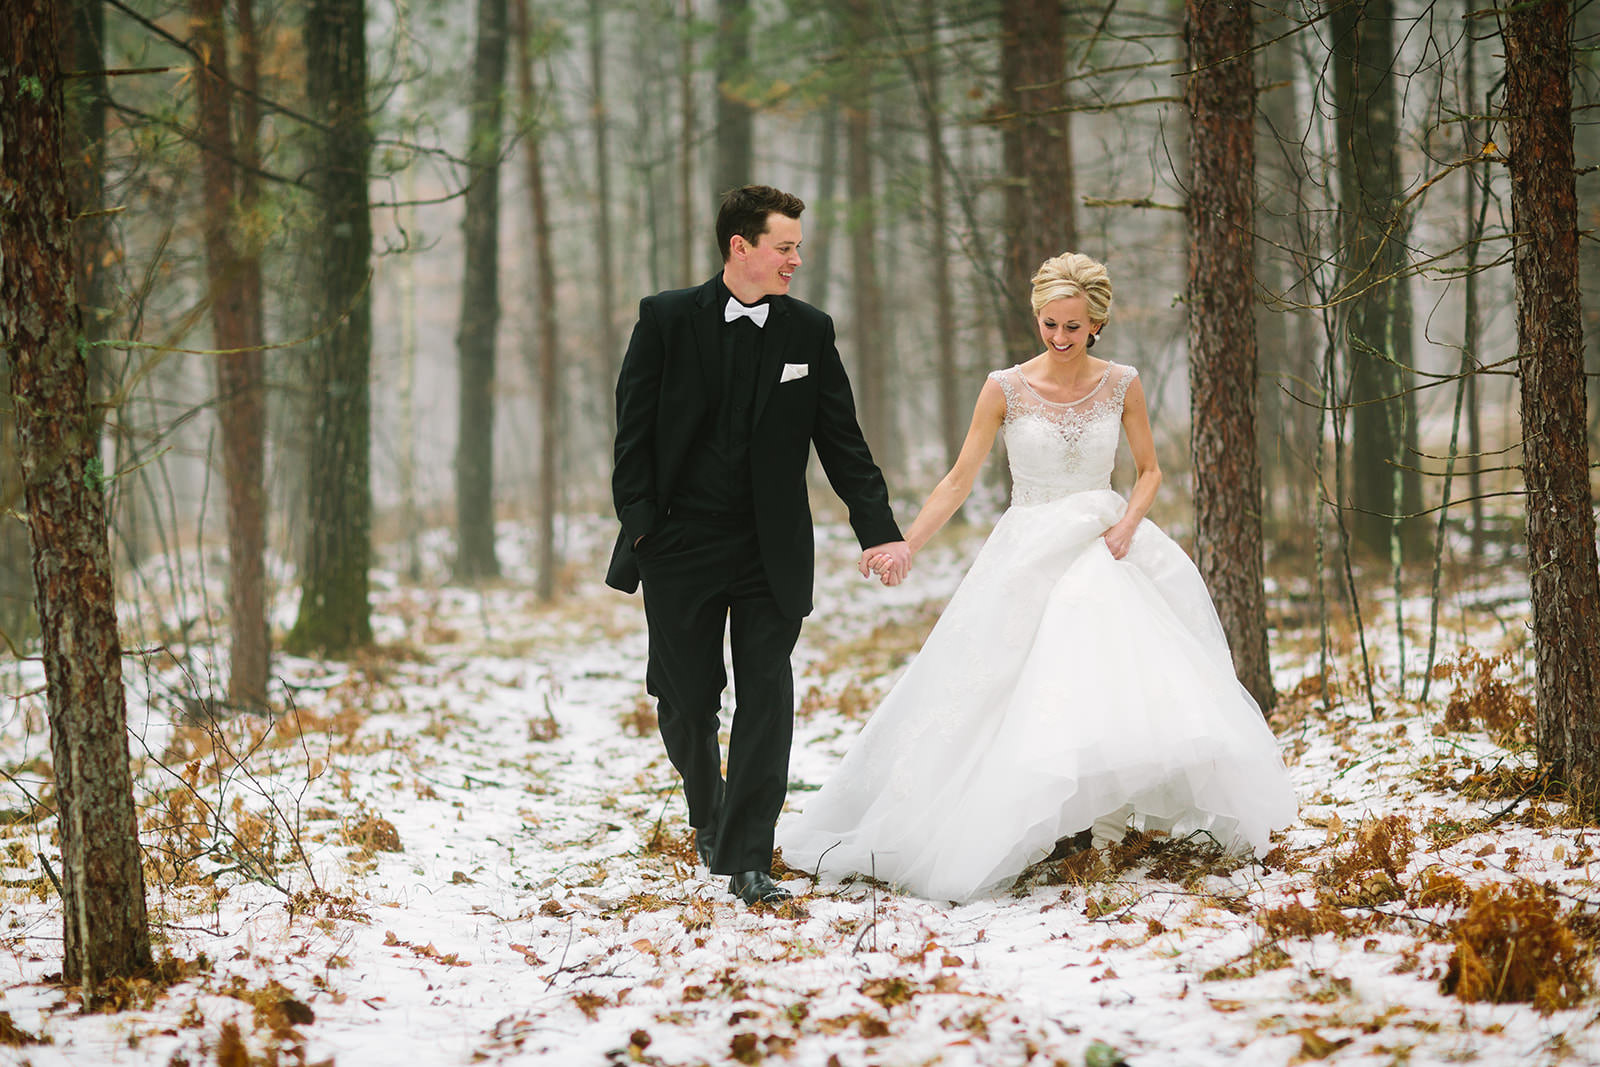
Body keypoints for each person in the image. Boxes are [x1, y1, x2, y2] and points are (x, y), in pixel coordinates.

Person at [777, 252, 1297, 903]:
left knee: (1116, 672)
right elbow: (959, 478)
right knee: (1008, 683)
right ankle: (1039, 823)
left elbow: (1149, 470)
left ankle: (1107, 828)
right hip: (1027, 546)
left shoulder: (1122, 383)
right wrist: (905, 541)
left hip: (1104, 540)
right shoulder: (1005, 387)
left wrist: (1129, 523)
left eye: (1073, 326)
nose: (1058, 337)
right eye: (1049, 323)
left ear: (1096, 324)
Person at [606, 185, 910, 906]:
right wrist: (645, 526)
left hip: (769, 546)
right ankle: (709, 810)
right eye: (785, 246)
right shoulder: (666, 319)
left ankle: (747, 856)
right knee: (684, 700)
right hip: (678, 541)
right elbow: (632, 436)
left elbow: (843, 441)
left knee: (766, 696)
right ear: (740, 247)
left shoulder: (809, 331)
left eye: (798, 247)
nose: (796, 260)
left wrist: (880, 529)